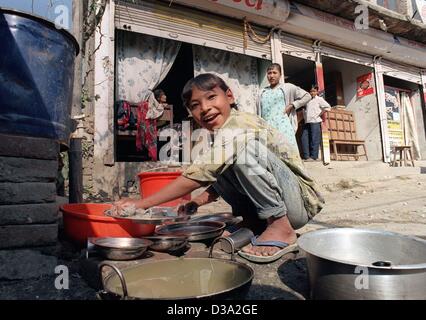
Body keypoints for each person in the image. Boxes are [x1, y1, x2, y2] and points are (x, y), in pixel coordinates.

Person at [113, 73, 324, 263]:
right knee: (221, 162)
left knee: (242, 150)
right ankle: (254, 222)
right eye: (195, 105)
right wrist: (196, 202)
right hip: (282, 202)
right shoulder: (222, 136)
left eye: (211, 97)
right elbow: (215, 177)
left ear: (230, 96)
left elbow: (198, 175)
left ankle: (280, 225)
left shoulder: (241, 123)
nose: (204, 108)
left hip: (299, 204)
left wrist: (142, 203)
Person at [258, 63, 311, 148]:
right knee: (269, 155)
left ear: (280, 75)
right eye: (269, 73)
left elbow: (307, 96)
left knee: (286, 153)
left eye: (274, 73)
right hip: (266, 127)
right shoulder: (262, 92)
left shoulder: (288, 87)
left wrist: (293, 105)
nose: (271, 76)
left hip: (283, 127)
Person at [301, 85, 331, 161]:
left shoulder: (319, 99)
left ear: (317, 92)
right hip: (307, 122)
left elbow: (328, 107)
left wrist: (320, 113)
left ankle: (314, 157)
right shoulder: (307, 100)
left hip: (315, 121)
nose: (312, 93)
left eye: (314, 91)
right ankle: (306, 156)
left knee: (315, 139)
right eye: (311, 91)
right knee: (304, 138)